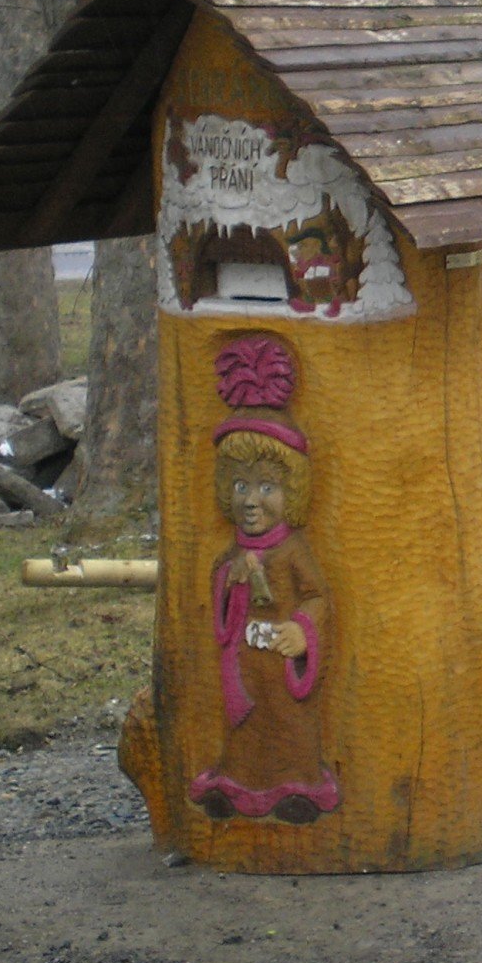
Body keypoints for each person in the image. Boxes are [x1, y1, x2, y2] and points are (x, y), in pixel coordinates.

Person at [190, 335, 341, 825]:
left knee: (290, 730)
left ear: (291, 491)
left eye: (266, 487)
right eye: (240, 486)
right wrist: (231, 580)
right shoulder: (236, 552)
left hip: (279, 665)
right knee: (247, 732)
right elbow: (219, 593)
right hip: (246, 667)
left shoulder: (292, 549)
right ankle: (238, 789)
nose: (251, 501)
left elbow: (317, 595)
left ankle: (297, 789)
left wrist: (303, 628)